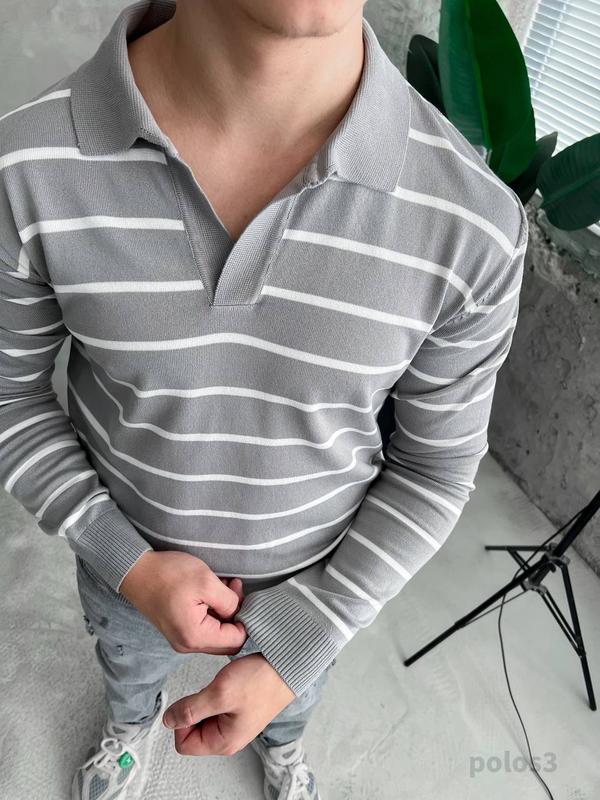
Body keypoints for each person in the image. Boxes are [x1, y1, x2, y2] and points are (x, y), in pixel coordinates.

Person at [0, 0, 528, 798]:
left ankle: (284, 749)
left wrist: (304, 636)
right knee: (128, 670)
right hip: (122, 571)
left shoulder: (473, 223)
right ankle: (128, 731)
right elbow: (9, 397)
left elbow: (436, 467)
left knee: (293, 702)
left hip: (316, 584)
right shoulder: (26, 166)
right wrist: (127, 563)